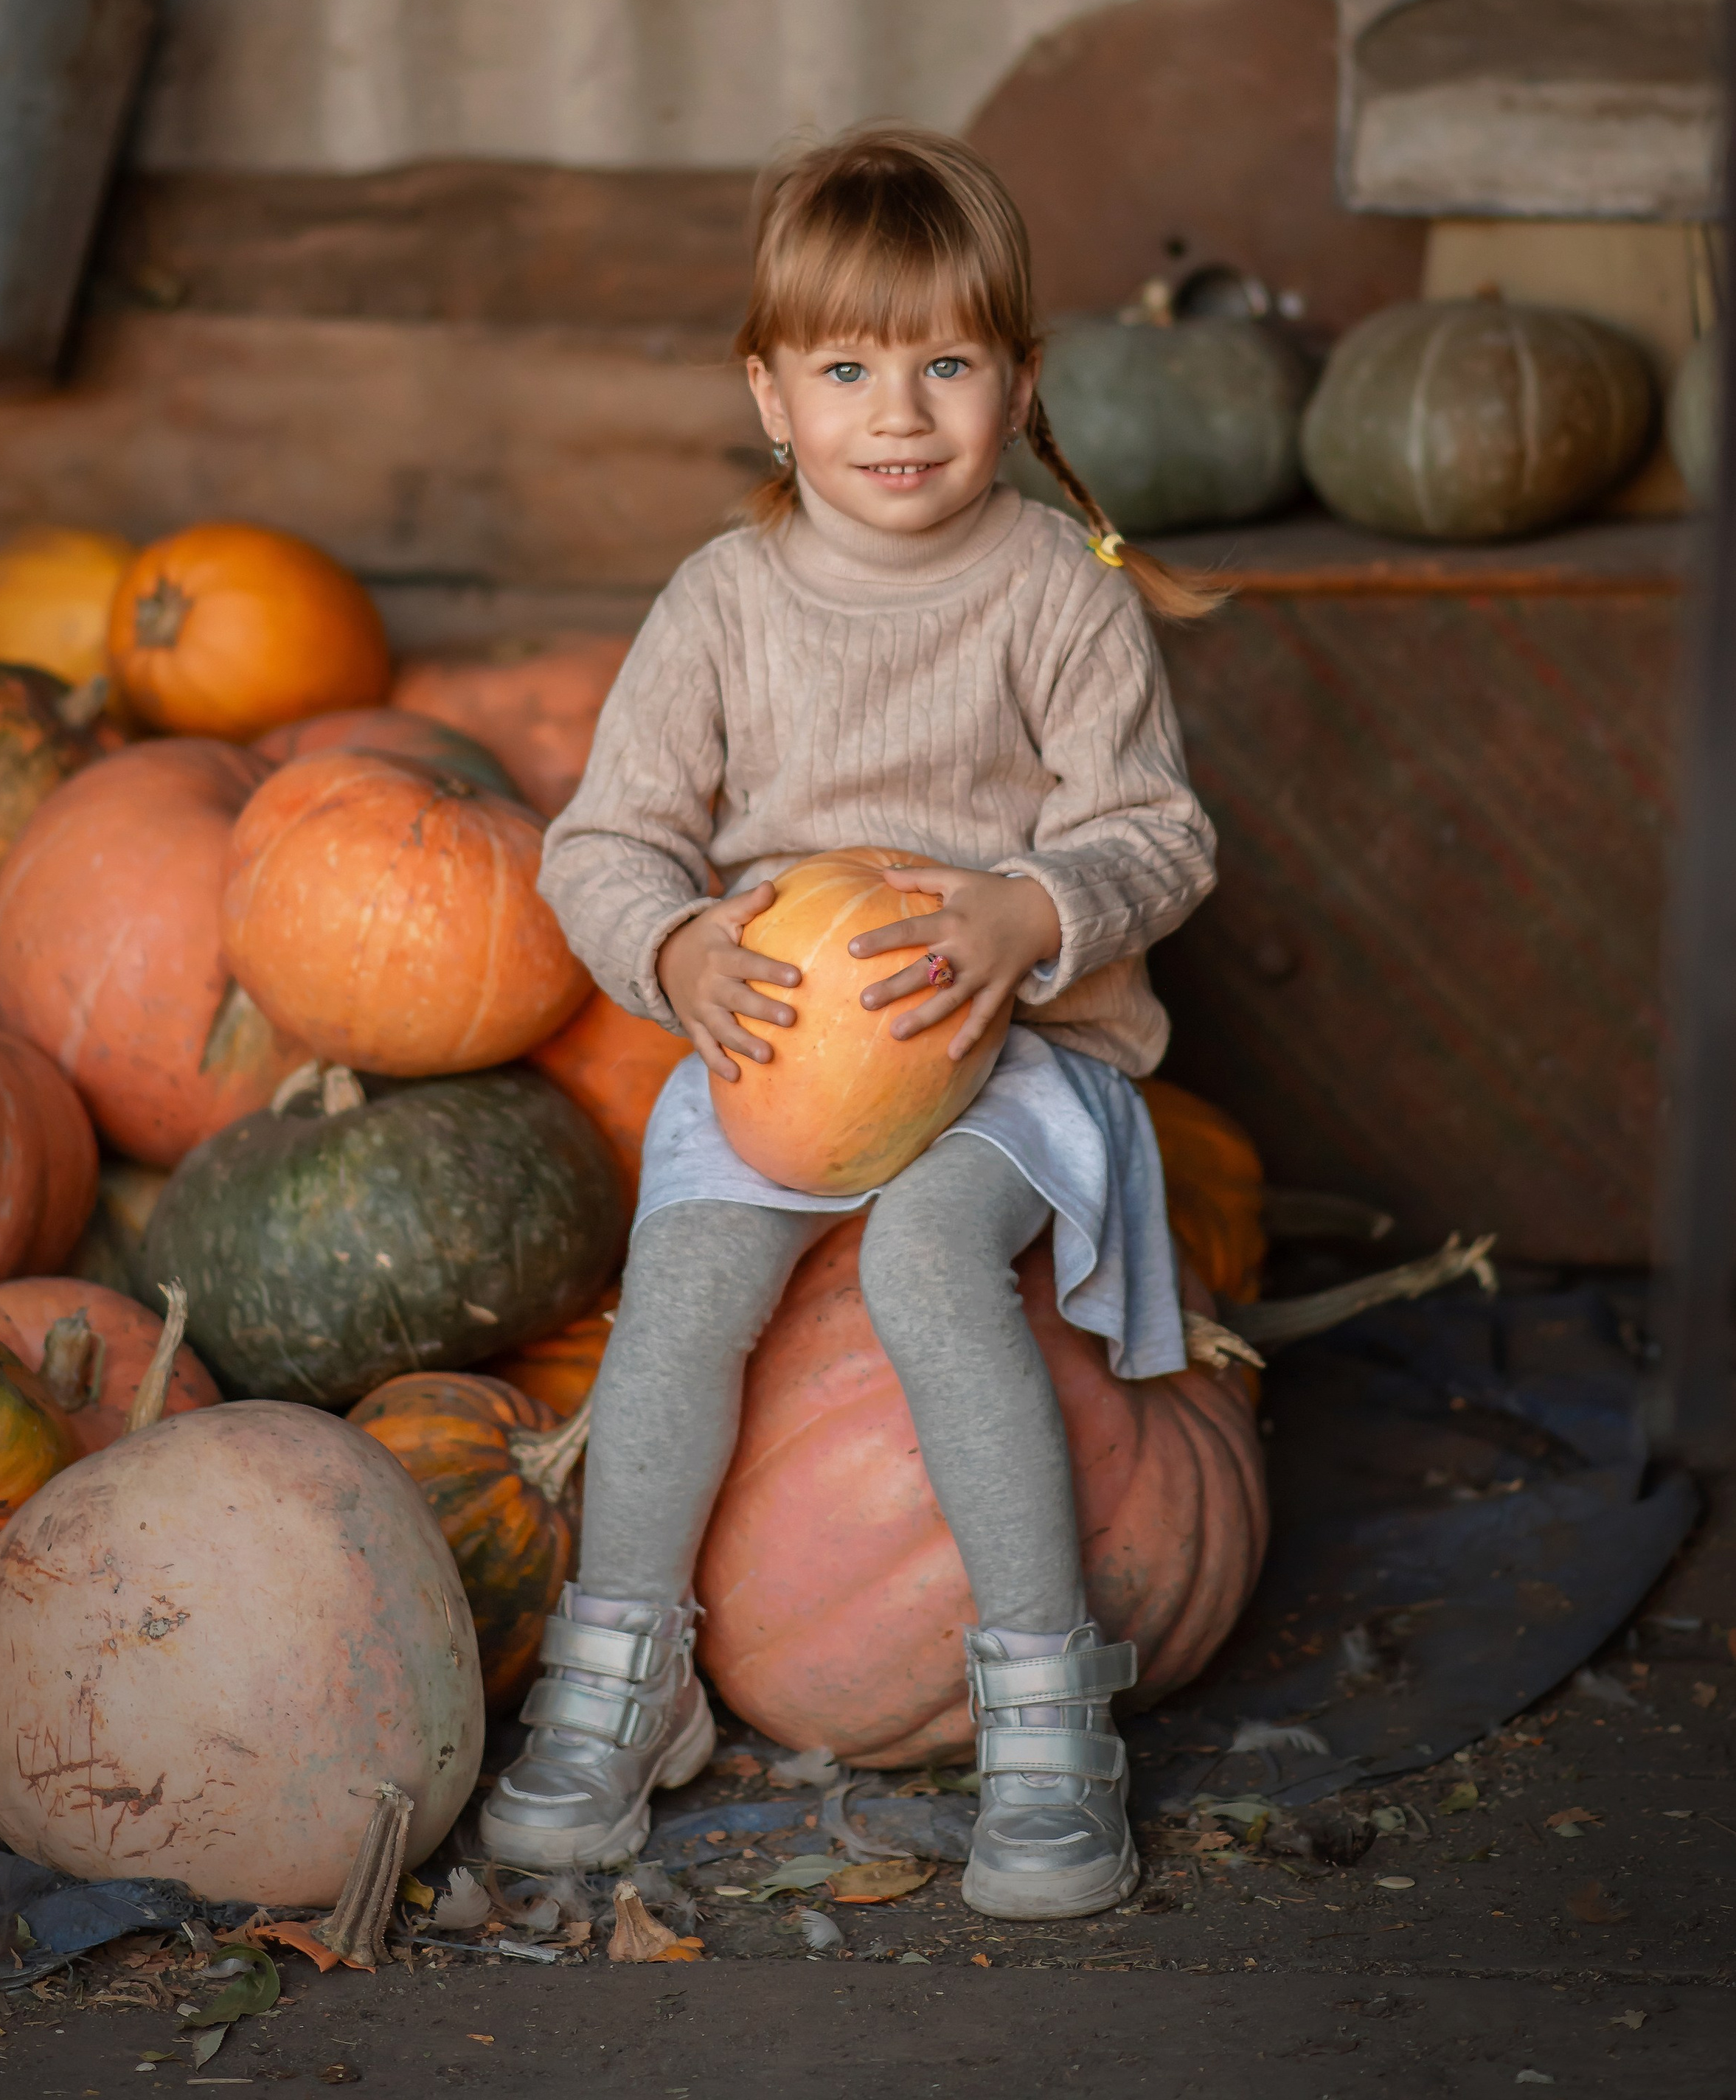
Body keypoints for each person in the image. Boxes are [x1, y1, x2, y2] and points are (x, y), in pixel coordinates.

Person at [480, 123, 1221, 1920]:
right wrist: (671, 955)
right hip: (780, 1047)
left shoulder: (1055, 591)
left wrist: (1026, 908)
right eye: (845, 367)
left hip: (1008, 1051)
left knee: (923, 1259)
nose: (898, 413)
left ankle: (1045, 1706)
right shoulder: (723, 605)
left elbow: (1156, 832)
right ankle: (621, 1673)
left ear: (1018, 381)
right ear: (768, 393)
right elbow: (605, 842)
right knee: (684, 1290)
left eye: (947, 364)